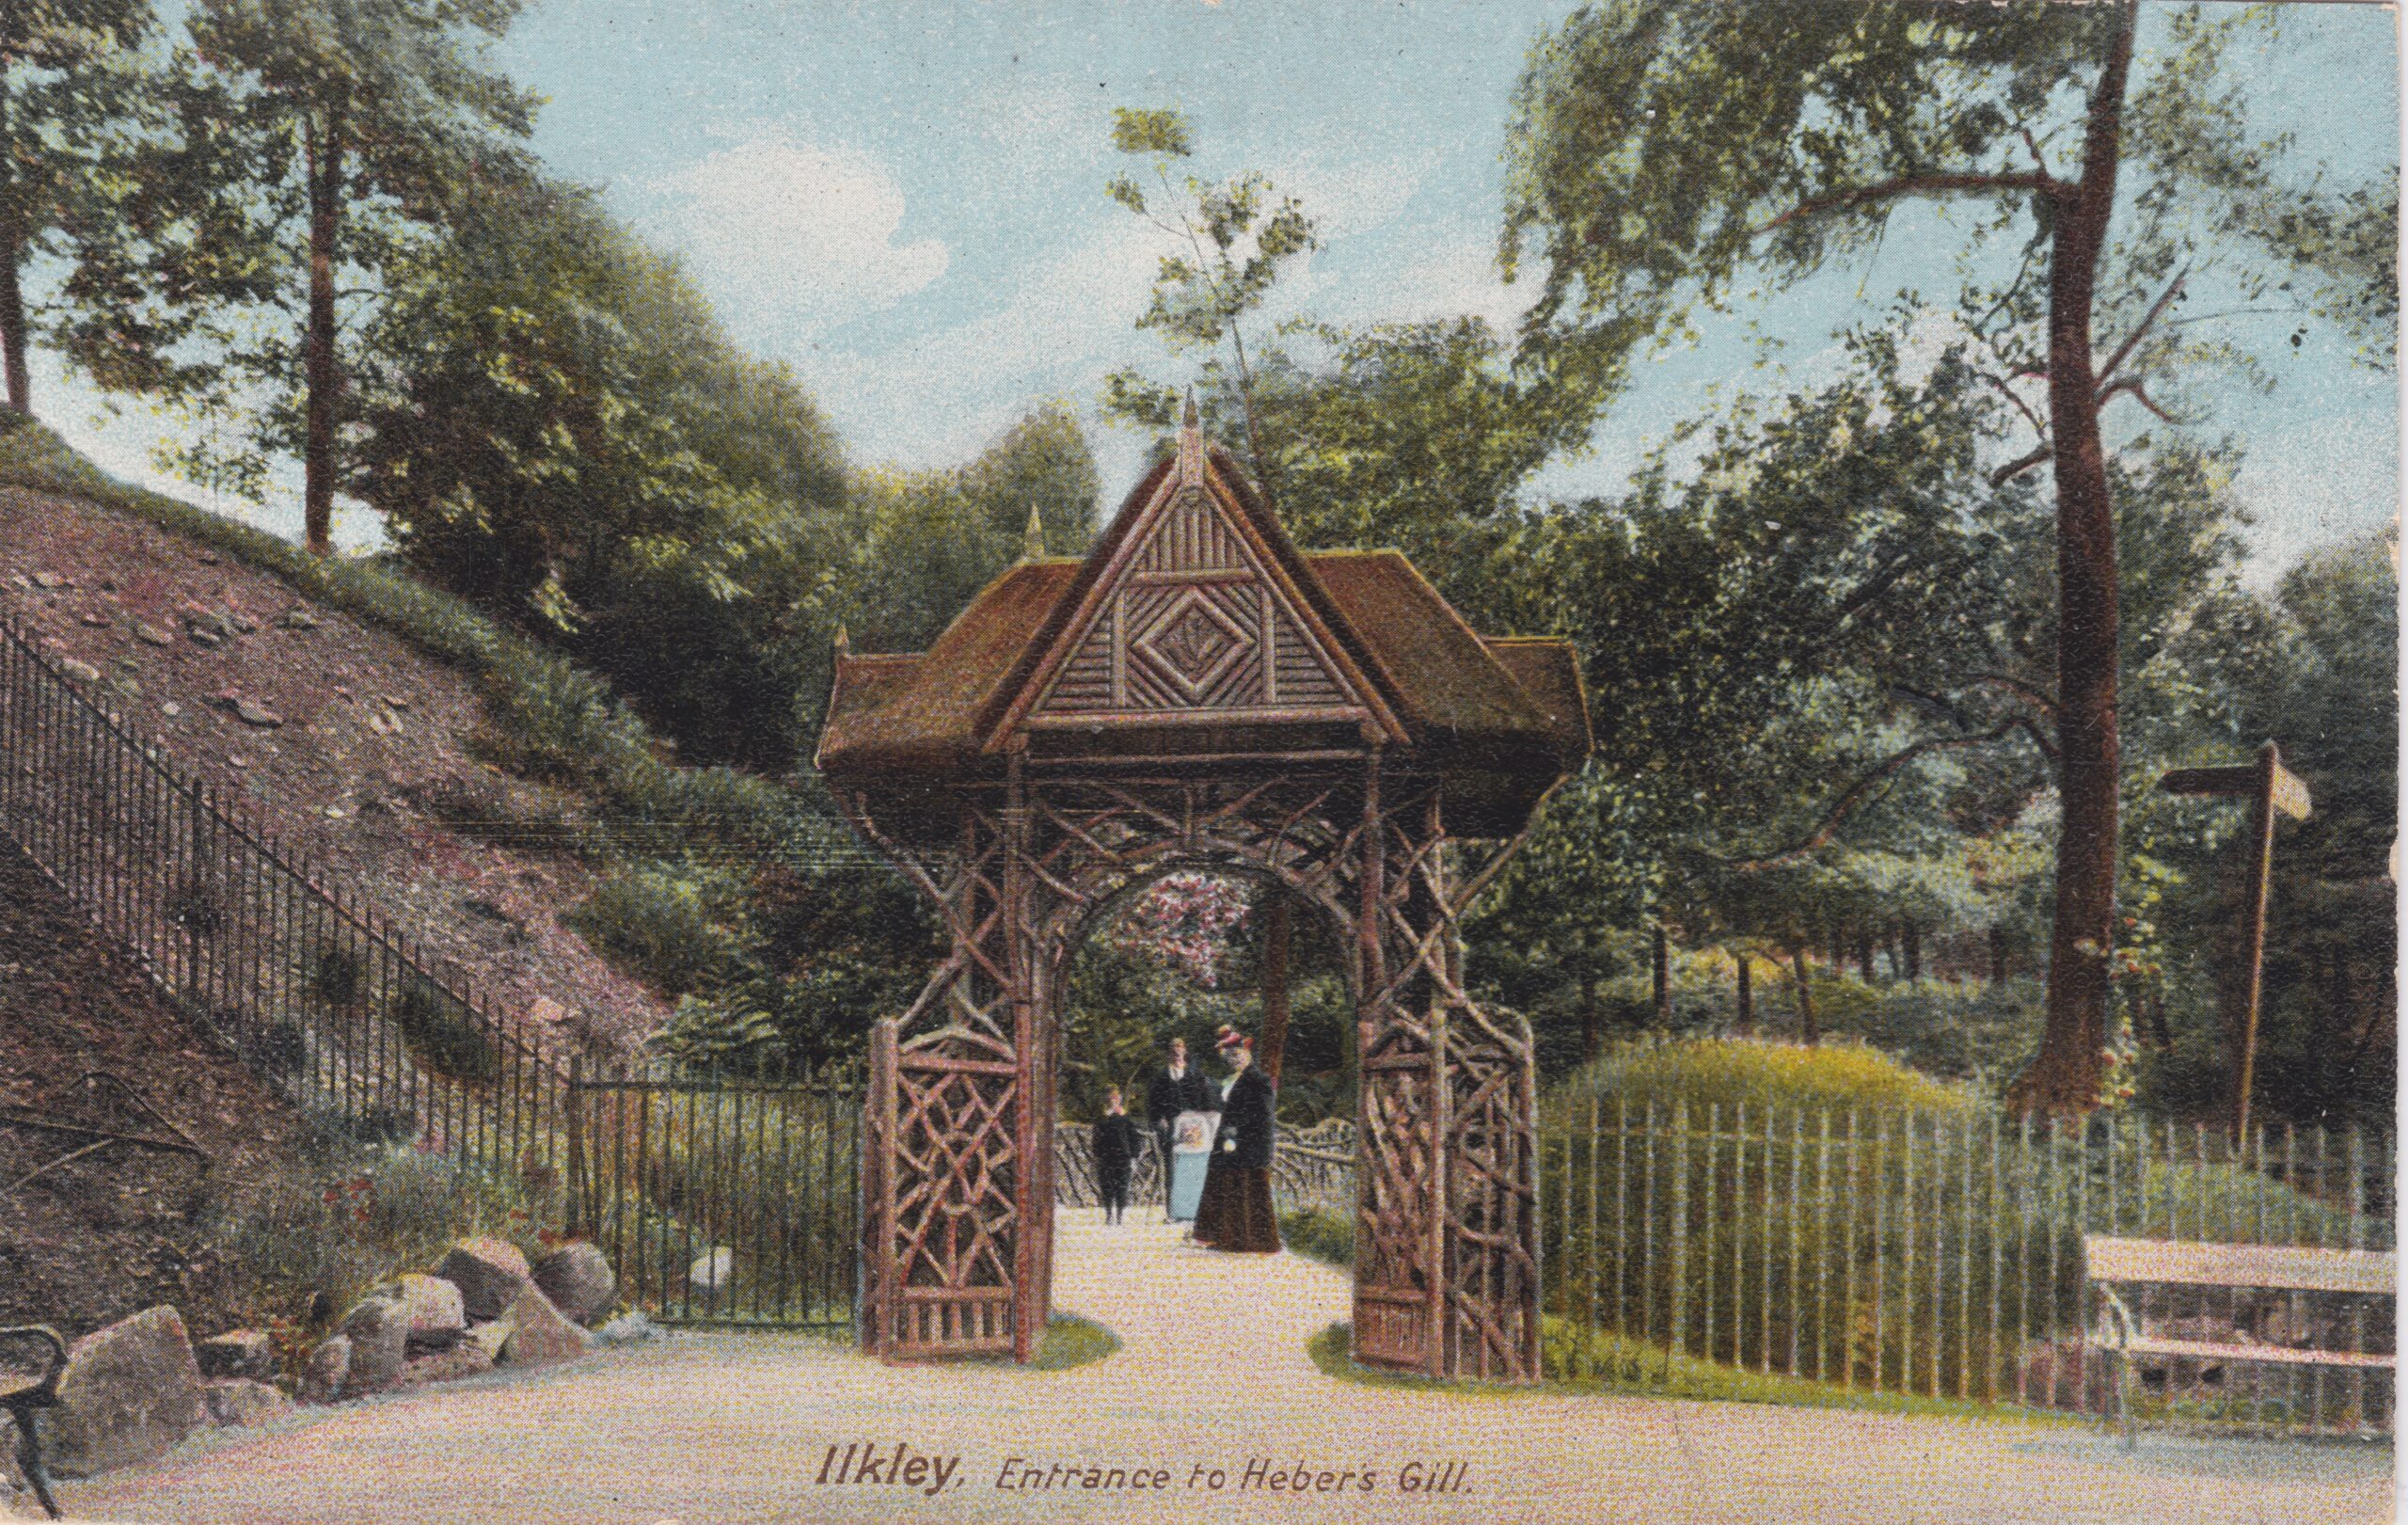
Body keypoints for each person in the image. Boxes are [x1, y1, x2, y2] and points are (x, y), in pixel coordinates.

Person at [1191, 1025, 1281, 1253]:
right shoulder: (1234, 1079)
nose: (1234, 1059)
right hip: (1231, 1143)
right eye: (1230, 1056)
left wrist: (1237, 1130)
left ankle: (1251, 1241)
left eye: (1238, 1055)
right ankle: (1227, 1237)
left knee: (1247, 1189)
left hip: (1249, 1143)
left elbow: (1263, 1115)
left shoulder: (1258, 1080)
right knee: (1228, 1188)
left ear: (1248, 1054)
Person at [1145, 1036, 1215, 1217]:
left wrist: (1203, 1119)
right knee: (1172, 1168)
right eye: (1173, 1052)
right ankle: (1174, 1212)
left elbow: (1207, 1102)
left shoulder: (1195, 1075)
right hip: (1171, 1127)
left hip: (1194, 1126)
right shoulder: (1161, 1077)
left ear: (1185, 1052)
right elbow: (1153, 1103)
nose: (1176, 1055)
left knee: (1195, 1166)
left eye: (1179, 1051)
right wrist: (1159, 1121)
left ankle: (1194, 1211)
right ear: (1169, 1054)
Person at [1092, 1088, 1141, 1226]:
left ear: (1119, 1100)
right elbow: (1096, 1138)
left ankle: (1120, 1215)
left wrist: (1134, 1156)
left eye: (1116, 1098)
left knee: (1122, 1187)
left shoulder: (1126, 1119)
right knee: (1107, 1187)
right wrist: (1096, 1155)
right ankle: (1109, 1215)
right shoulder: (1102, 1119)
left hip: (1123, 1157)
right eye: (1111, 1099)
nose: (1114, 1101)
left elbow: (1135, 1138)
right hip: (1106, 1157)